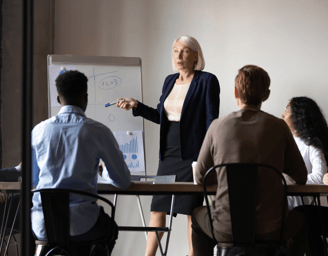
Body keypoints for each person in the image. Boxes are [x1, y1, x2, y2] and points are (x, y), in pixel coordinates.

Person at [116, 35, 220, 256]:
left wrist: (208, 156)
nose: (178, 56)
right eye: (175, 51)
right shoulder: (169, 80)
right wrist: (137, 106)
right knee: (158, 207)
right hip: (168, 156)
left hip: (194, 156)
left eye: (184, 51)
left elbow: (212, 121)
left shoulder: (207, 81)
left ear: (195, 55)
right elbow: (162, 116)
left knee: (193, 212)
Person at [192, 65, 308, 256]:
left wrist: (223, 179)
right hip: (272, 229)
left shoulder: (216, 126)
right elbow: (301, 177)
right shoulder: (279, 127)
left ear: (236, 91)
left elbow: (200, 177)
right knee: (302, 221)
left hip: (225, 229)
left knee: (197, 217)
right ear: (266, 94)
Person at [31, 70, 131, 254]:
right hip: (82, 225)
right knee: (109, 228)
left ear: (58, 98)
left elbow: (32, 180)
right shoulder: (98, 131)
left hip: (44, 225)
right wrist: (103, 172)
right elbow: (123, 181)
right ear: (85, 98)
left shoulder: (38, 131)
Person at [282, 97, 328, 210]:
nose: (283, 114)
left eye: (288, 109)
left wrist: (289, 181)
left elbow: (319, 176)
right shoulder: (288, 140)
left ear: (299, 115)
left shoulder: (311, 144)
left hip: (301, 207)